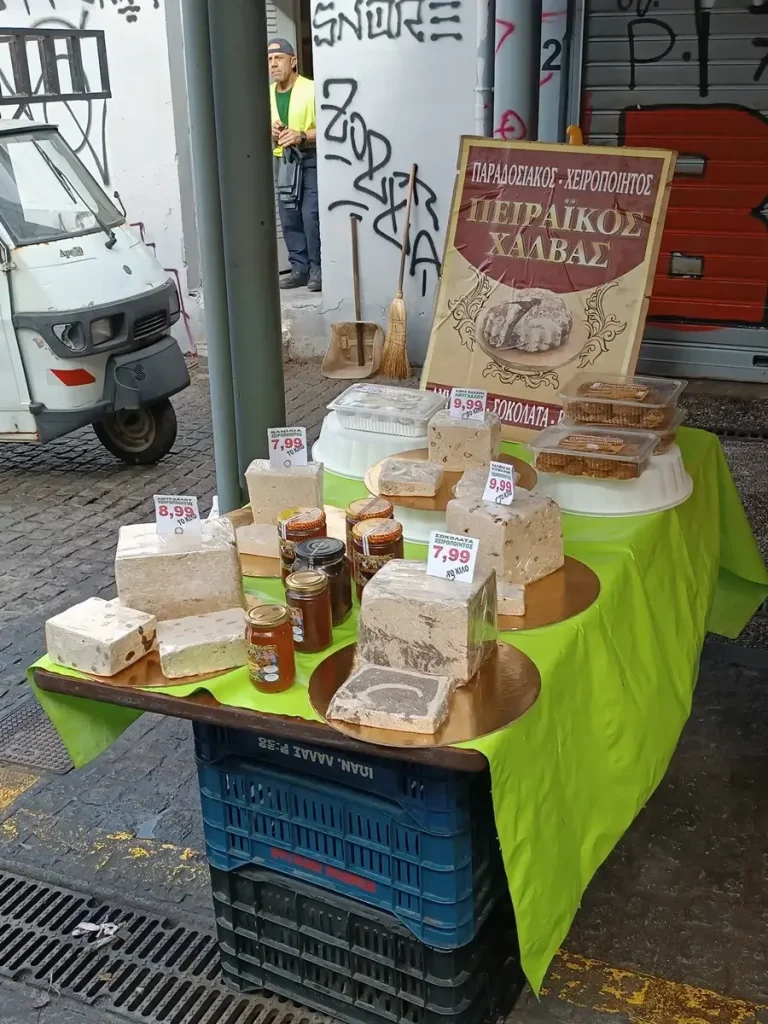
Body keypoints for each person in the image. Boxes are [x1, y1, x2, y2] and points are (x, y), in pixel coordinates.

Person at [268, 38, 321, 292]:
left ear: (293, 61)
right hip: (283, 160)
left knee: (311, 215)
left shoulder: (312, 89)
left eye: (279, 58)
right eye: (269, 60)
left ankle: (317, 269)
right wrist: (271, 131)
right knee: (289, 215)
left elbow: (328, 128)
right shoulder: (266, 94)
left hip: (309, 158)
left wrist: (301, 135)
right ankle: (298, 269)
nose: (273, 64)